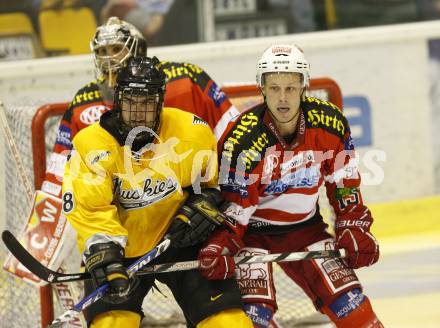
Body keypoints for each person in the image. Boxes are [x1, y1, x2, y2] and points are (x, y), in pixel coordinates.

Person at [197, 44, 383, 327]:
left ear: (304, 86)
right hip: (252, 236)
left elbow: (344, 184)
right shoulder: (241, 141)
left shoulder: (330, 122)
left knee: (354, 309)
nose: (282, 98)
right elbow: (235, 209)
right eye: (274, 88)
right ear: (262, 88)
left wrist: (353, 223)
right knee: (254, 319)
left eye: (290, 88)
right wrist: (221, 244)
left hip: (305, 230)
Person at [62, 55, 253, 327]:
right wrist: (105, 254)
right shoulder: (90, 145)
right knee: (111, 324)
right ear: (118, 100)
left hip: (181, 241)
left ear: (160, 102)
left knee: (229, 323)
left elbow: (214, 186)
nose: (138, 112)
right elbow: (91, 209)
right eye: (131, 102)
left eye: (147, 103)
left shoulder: (191, 131)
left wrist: (205, 203)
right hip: (123, 250)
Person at [41, 16, 239, 198]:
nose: (109, 59)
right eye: (102, 51)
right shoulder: (84, 102)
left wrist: (226, 196)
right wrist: (45, 228)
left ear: (138, 50)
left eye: (116, 49)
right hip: (119, 209)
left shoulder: (186, 78)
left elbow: (234, 135)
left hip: (186, 196)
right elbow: (59, 175)